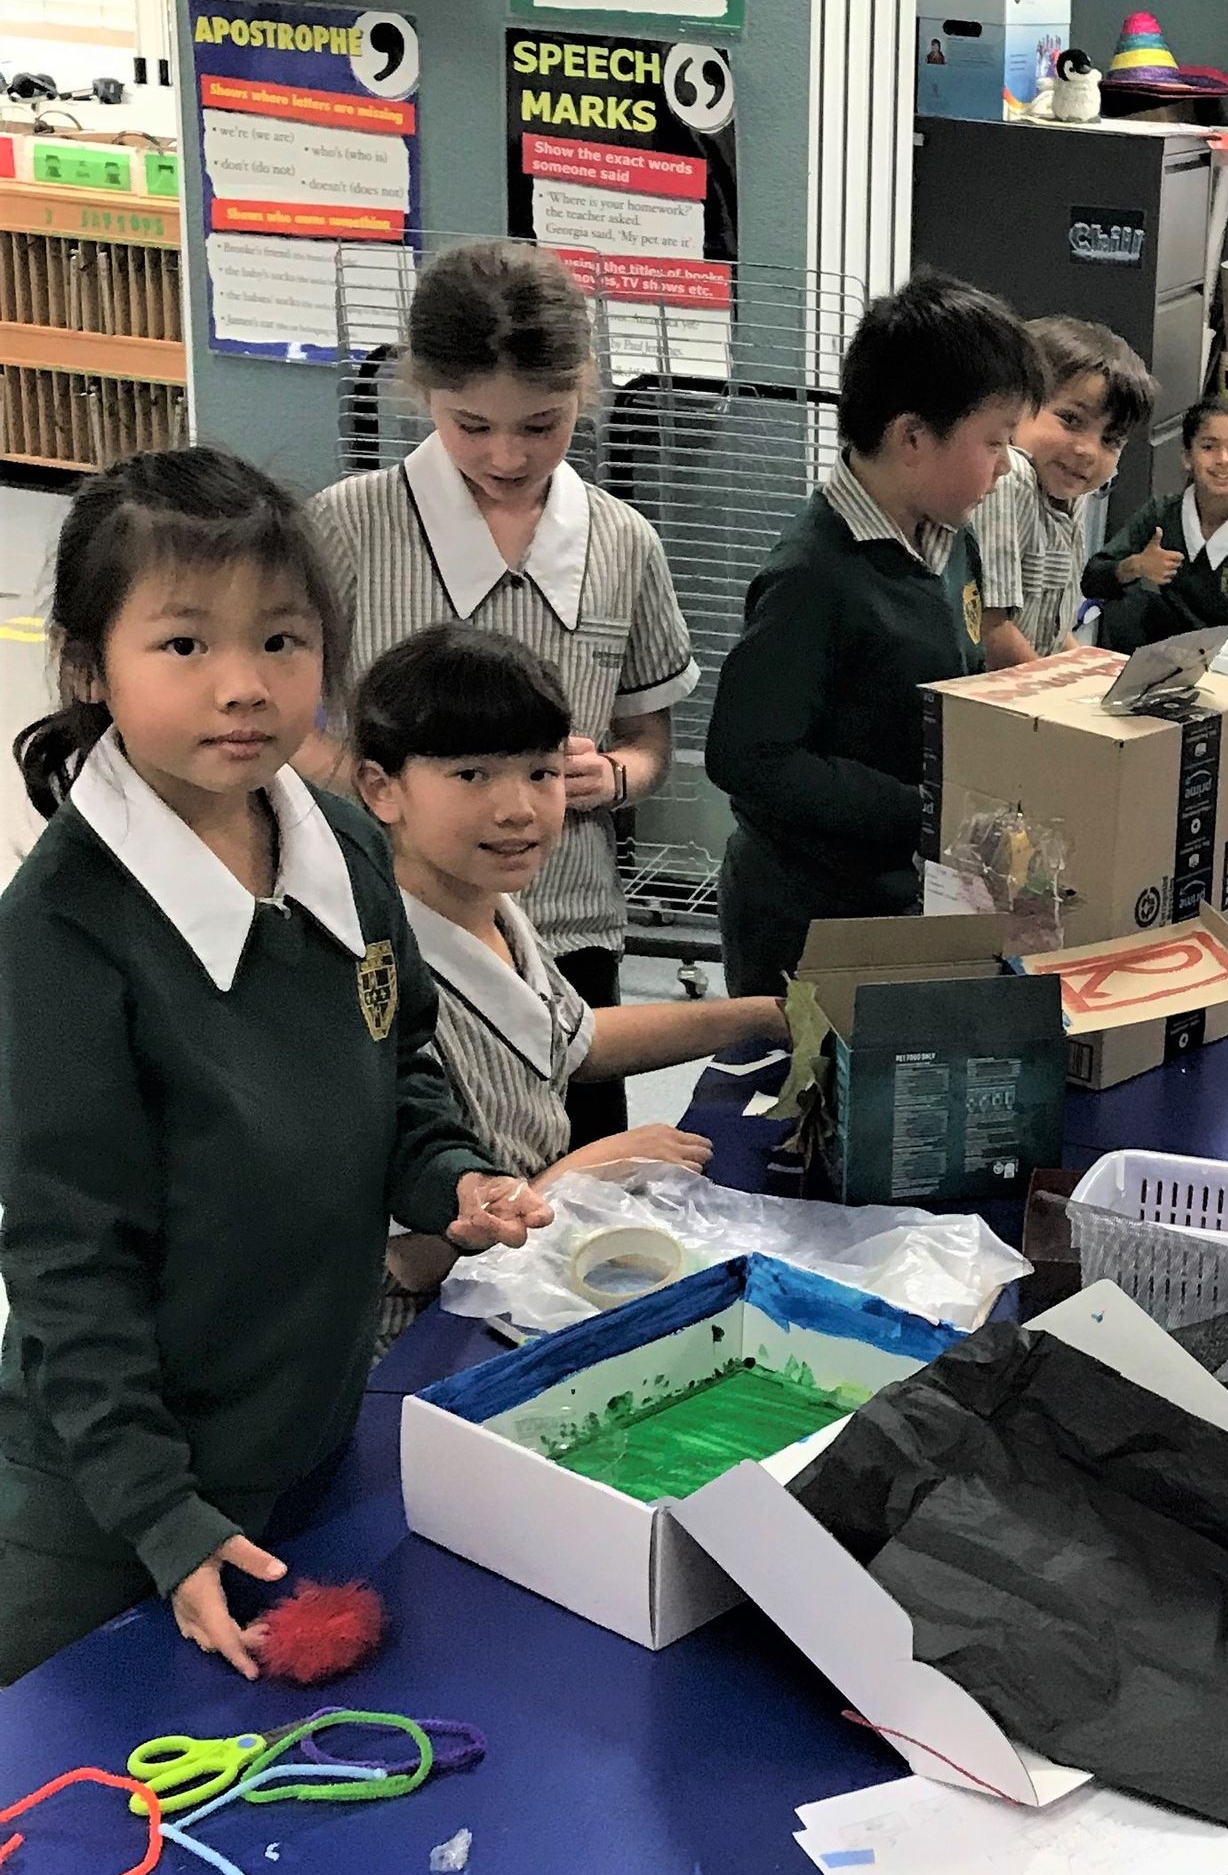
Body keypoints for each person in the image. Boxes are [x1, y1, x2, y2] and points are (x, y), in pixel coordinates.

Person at [0, 448, 549, 1687]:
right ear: (87, 664)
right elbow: (67, 1264)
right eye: (184, 644)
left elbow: (397, 1065)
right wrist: (158, 1512)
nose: (244, 685)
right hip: (112, 1506)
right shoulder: (62, 931)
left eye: (284, 641)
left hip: (304, 1436)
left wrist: (453, 1179)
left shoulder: (340, 844)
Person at [306, 238, 699, 1151]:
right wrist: (385, 795)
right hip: (392, 923)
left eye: (541, 424)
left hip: (567, 926)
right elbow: (292, 727)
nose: (508, 454)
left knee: (585, 1168)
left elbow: (649, 737)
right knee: (433, 1169)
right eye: (472, 424)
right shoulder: (347, 527)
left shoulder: (623, 542)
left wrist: (615, 776)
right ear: (422, 393)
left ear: (585, 390)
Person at [350, 624, 788, 1345]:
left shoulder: (493, 910)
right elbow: (414, 1258)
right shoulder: (376, 972)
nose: (518, 808)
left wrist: (763, 1015)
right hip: (426, 1335)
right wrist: (586, 1170)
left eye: (541, 772)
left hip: (522, 1272)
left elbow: (571, 1038)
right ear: (381, 788)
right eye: (473, 775)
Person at [705, 273, 1046, 997]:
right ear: (912, 437)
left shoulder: (951, 541)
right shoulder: (812, 576)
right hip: (808, 918)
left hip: (907, 889)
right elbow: (748, 756)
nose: (1006, 465)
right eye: (994, 441)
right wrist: (923, 810)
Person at [968, 316, 1155, 668]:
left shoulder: (1070, 490)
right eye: (1070, 420)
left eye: (1110, 440)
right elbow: (990, 628)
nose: (1088, 451)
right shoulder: (1008, 479)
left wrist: (1092, 674)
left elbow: (1051, 633)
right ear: (1016, 404)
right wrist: (1057, 693)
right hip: (987, 690)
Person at [1084, 397, 1228, 681]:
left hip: (1221, 674)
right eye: (1208, 447)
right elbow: (1092, 579)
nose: (1223, 459)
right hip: (1149, 664)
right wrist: (1135, 566)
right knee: (1127, 605)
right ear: (1187, 457)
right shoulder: (1161, 514)